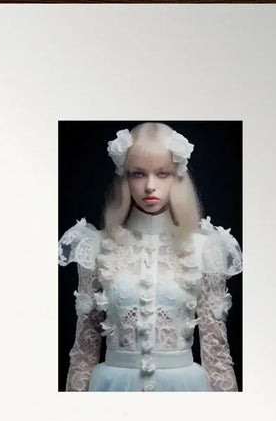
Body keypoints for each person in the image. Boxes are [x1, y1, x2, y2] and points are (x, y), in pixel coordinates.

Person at [57, 122, 242, 392]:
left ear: (177, 176)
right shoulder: (96, 246)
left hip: (183, 390)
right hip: (113, 390)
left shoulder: (207, 248)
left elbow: (217, 354)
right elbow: (84, 350)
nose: (150, 186)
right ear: (125, 178)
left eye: (162, 173)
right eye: (138, 174)